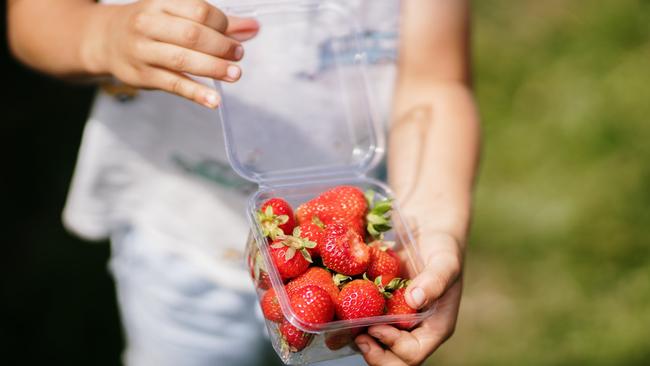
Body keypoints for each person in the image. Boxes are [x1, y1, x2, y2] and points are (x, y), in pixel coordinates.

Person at [7, 0, 479, 365]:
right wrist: (102, 35)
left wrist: (434, 224)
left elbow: (436, 82)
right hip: (178, 238)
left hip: (355, 291)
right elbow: (37, 19)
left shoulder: (364, 271)